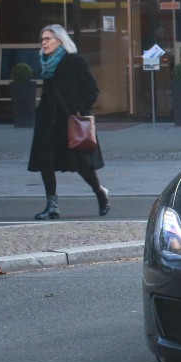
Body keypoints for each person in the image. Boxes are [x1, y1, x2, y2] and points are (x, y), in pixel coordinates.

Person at [27, 25, 109, 220]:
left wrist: (80, 109)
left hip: (71, 120)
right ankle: (52, 205)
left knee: (82, 164)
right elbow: (48, 93)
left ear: (60, 41)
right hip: (49, 121)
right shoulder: (46, 63)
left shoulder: (76, 61)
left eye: (48, 39)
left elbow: (92, 89)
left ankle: (100, 192)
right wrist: (39, 112)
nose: (44, 42)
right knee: (46, 163)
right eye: (42, 39)